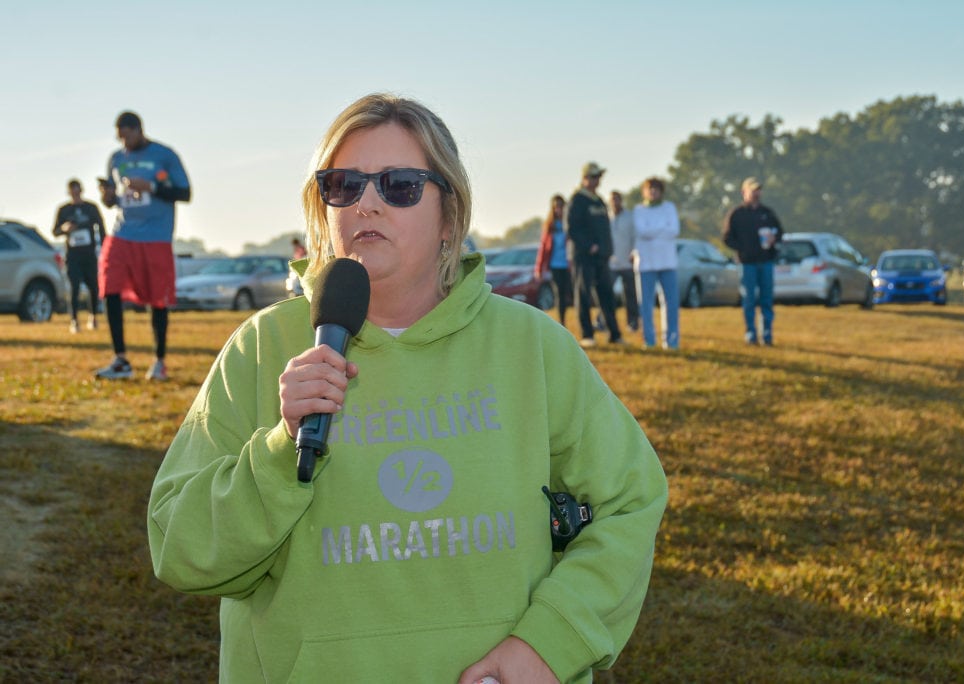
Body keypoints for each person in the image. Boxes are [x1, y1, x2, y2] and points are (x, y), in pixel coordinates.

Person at [147, 94, 667, 684]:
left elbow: (631, 501)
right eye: (343, 184)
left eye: (398, 184)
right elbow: (181, 549)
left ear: (450, 215)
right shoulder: (263, 347)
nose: (366, 201)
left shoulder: (533, 346)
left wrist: (549, 645)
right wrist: (277, 448)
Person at [95, 111, 191, 380]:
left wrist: (149, 186)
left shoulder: (165, 155)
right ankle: (120, 360)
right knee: (109, 286)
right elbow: (114, 199)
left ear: (138, 130)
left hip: (156, 237)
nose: (124, 143)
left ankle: (159, 361)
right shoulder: (116, 159)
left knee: (158, 299)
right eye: (120, 138)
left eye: (127, 136)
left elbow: (185, 193)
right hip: (122, 233)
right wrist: (108, 197)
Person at [566, 162, 622, 347]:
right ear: (584, 178)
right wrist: (588, 246)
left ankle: (615, 334)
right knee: (583, 294)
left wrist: (607, 249)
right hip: (584, 257)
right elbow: (572, 228)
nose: (596, 180)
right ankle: (587, 335)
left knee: (606, 295)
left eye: (598, 177)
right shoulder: (577, 200)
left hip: (602, 257)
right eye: (593, 177)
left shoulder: (598, 200)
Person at [722, 176, 783, 345]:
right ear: (744, 192)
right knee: (749, 299)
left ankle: (767, 334)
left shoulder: (767, 213)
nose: (756, 194)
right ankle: (751, 333)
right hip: (747, 263)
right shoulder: (737, 214)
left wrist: (773, 239)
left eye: (758, 190)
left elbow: (780, 233)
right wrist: (742, 249)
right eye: (753, 190)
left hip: (766, 262)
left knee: (766, 299)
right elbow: (727, 237)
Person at [632, 177, 681, 350]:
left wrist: (653, 231)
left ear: (661, 191)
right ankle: (649, 340)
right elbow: (641, 231)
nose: (653, 192)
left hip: (668, 262)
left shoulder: (669, 208)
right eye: (649, 189)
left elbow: (674, 230)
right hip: (645, 264)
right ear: (644, 191)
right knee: (645, 304)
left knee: (671, 303)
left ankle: (672, 341)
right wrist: (661, 229)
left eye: (656, 189)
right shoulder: (638, 210)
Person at [52, 178, 106, 333]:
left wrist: (105, 247)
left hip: (89, 253)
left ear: (81, 190)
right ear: (69, 192)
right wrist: (64, 228)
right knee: (74, 287)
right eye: (72, 191)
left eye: (77, 191)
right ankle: (74, 320)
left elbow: (101, 227)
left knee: (93, 287)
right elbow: (55, 231)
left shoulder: (91, 208)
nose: (75, 194)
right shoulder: (63, 210)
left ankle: (93, 316)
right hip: (73, 255)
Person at [533, 194, 573, 326]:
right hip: (555, 265)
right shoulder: (549, 226)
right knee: (559, 294)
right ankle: (562, 322)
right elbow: (543, 249)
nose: (559, 209)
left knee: (570, 293)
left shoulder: (570, 224)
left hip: (569, 264)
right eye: (556, 207)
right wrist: (539, 268)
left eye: (561, 206)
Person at [608, 190, 639, 332]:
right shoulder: (607, 218)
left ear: (621, 201)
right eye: (612, 199)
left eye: (617, 199)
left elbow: (635, 237)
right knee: (606, 293)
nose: (615, 202)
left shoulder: (630, 217)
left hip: (627, 261)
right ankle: (603, 320)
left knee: (630, 294)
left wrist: (634, 252)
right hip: (611, 263)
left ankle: (632, 322)